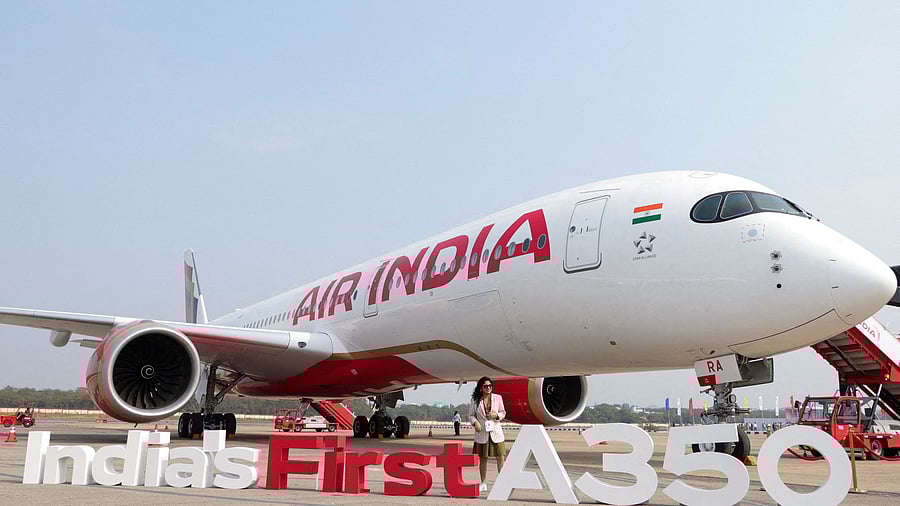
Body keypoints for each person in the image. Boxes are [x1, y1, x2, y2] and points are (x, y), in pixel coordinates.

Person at [469, 376, 506, 493]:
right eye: (486, 386)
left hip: (495, 431)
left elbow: (503, 412)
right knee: (483, 458)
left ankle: (502, 481)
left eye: (490, 386)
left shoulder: (498, 398)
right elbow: (470, 415)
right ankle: (483, 482)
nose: (488, 388)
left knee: (500, 456)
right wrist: (475, 423)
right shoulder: (475, 400)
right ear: (481, 388)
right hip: (482, 432)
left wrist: (497, 416)